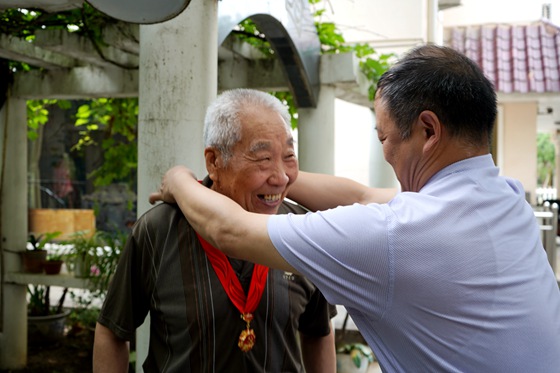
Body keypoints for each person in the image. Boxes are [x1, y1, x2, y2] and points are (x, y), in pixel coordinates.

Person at [150, 44, 560, 372]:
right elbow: (363, 195)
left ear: (429, 130)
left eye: (385, 138)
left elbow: (231, 232)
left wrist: (178, 180)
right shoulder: (506, 197)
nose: (386, 153)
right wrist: (276, 174)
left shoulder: (393, 236)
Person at [93, 89, 337, 372]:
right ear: (214, 161)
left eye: (289, 156)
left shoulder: (303, 231)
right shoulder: (159, 230)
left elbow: (319, 332)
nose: (281, 177)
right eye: (263, 158)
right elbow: (113, 330)